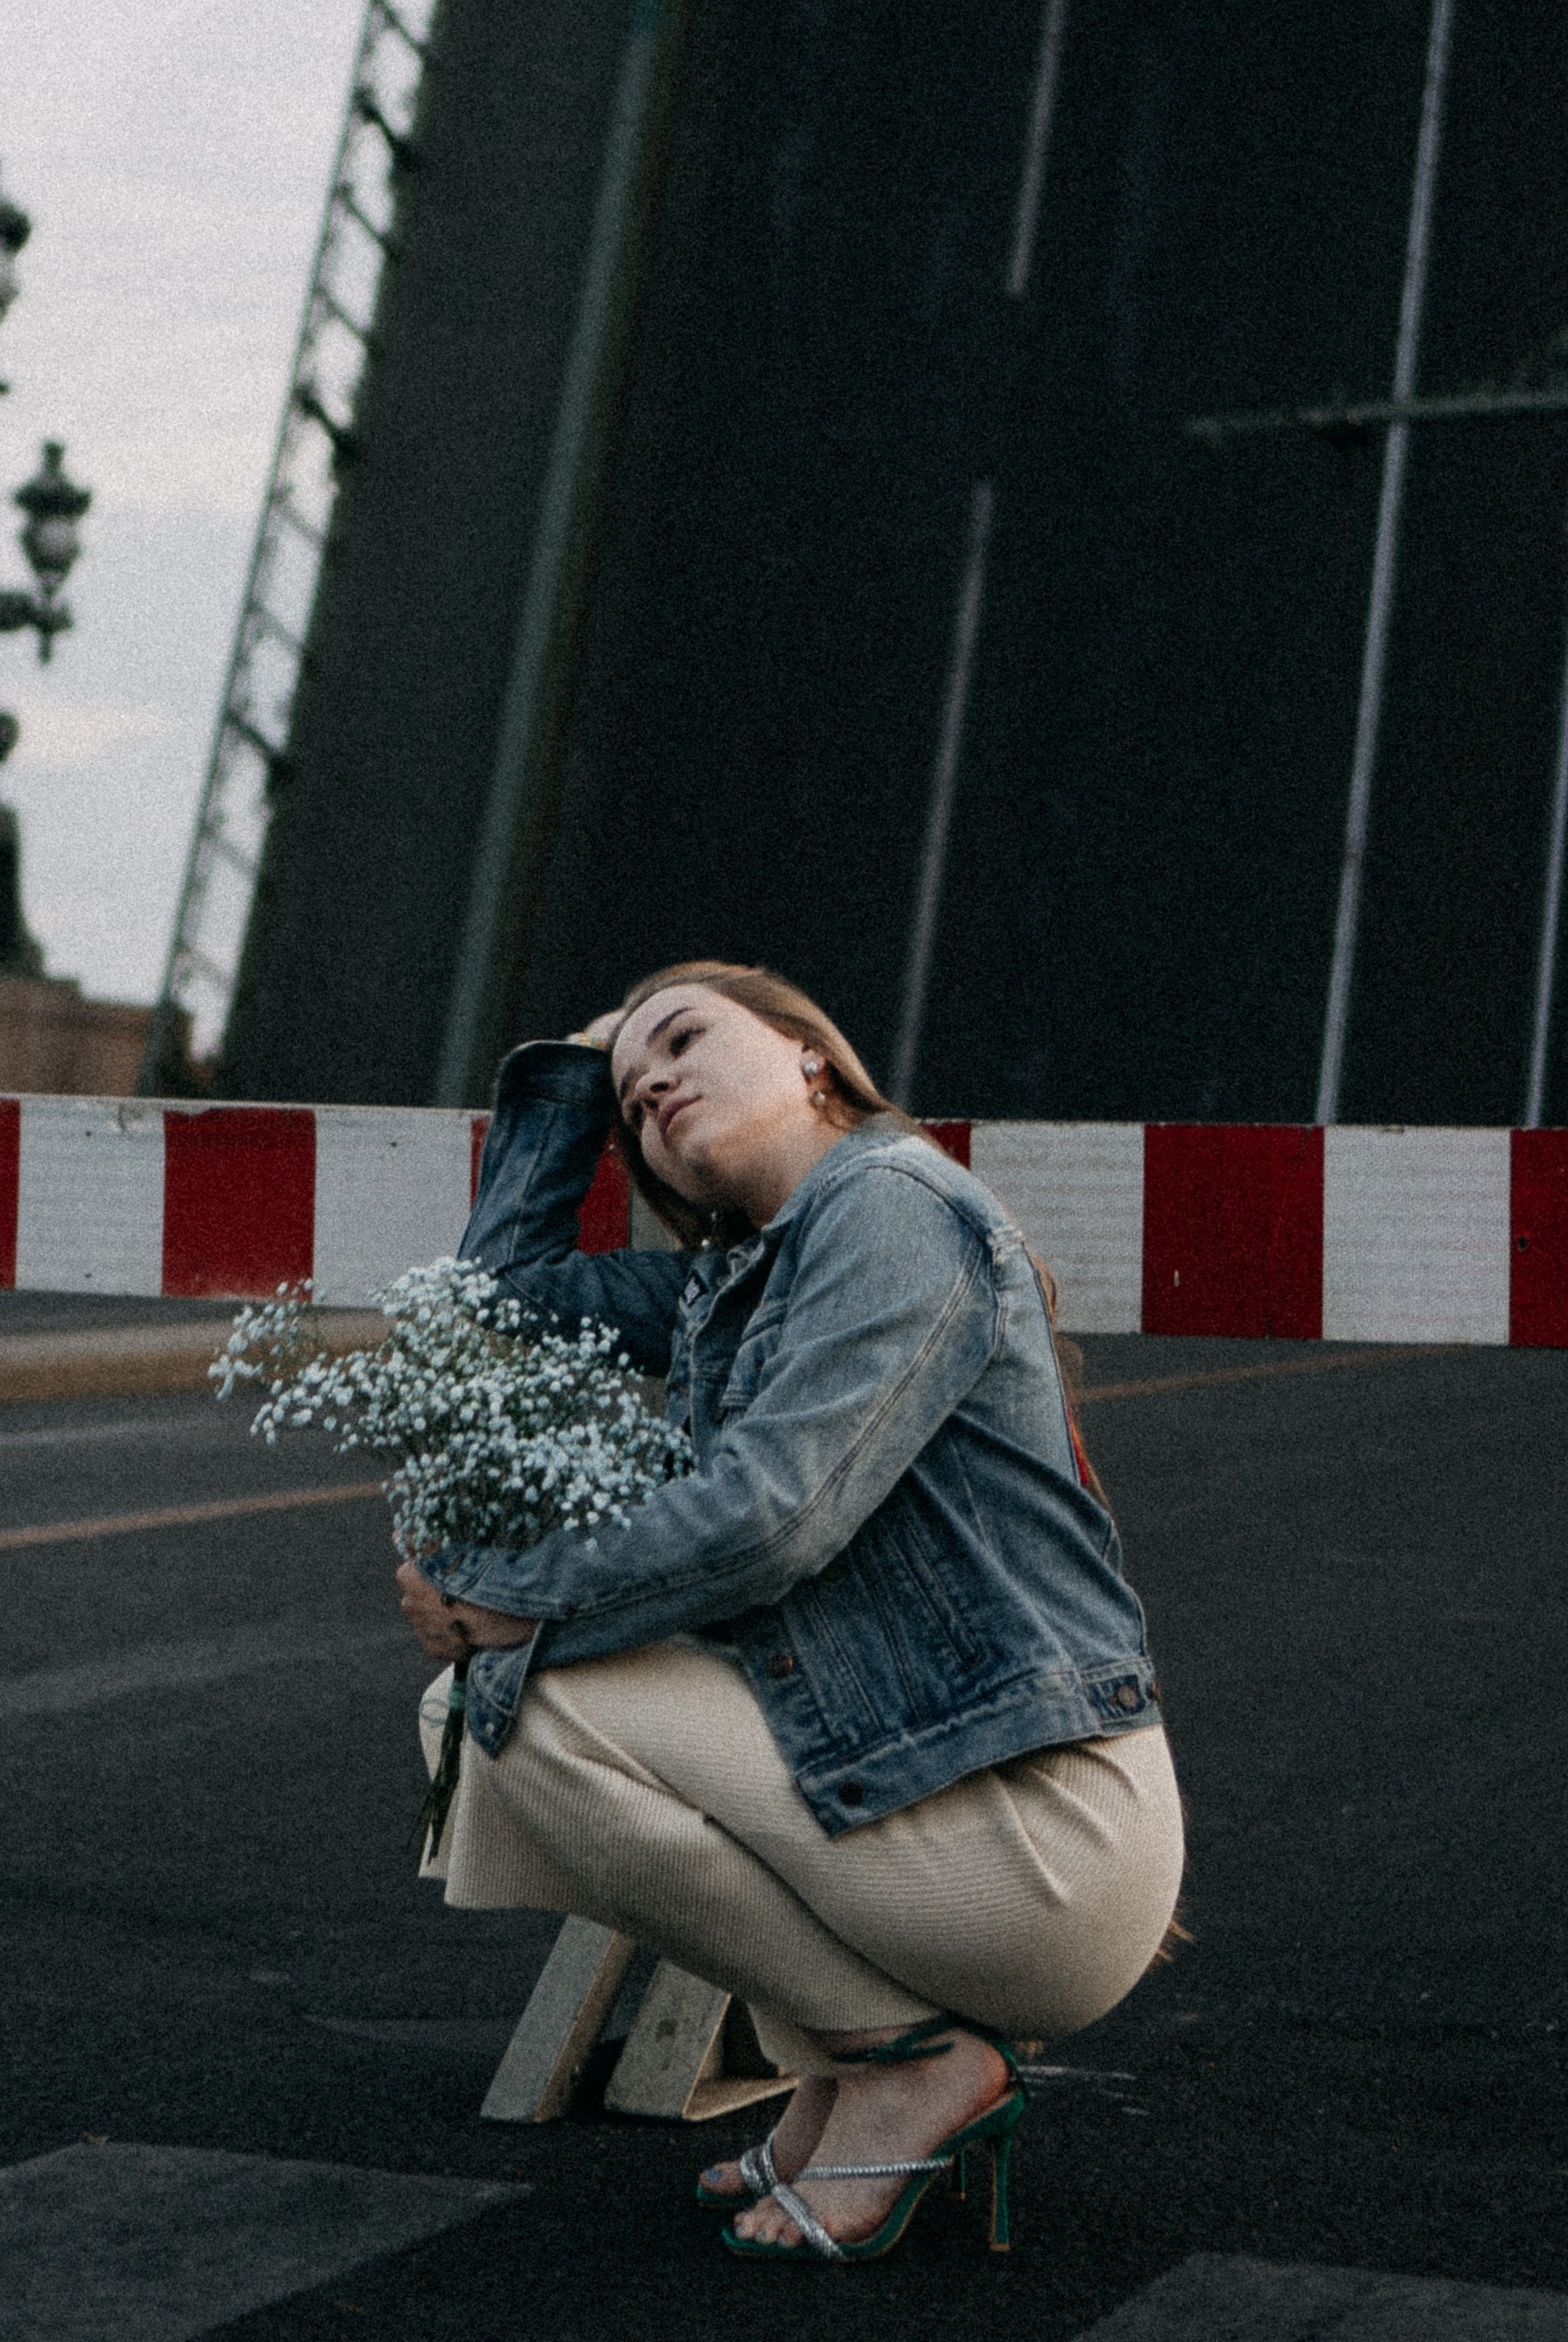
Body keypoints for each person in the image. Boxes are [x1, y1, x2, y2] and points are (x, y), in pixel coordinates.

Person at [395, 960, 1184, 2262]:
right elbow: (496, 1307)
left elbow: (774, 1517)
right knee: (467, 1706)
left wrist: (503, 1603)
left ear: (811, 1056)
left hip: (1044, 1835)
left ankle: (905, 2064)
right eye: (636, 1091)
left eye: (687, 1038)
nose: (653, 1084)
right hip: (929, 1796)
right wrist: (568, 1089)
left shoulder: (894, 1206)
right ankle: (850, 2062)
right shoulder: (738, 1284)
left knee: (521, 1698)